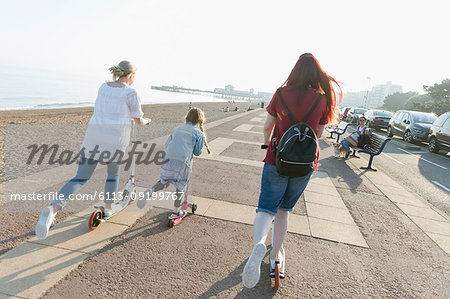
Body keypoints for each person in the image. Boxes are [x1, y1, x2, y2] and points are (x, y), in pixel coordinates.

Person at [242, 53, 341, 288]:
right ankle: (275, 256)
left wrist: (267, 145)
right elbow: (318, 135)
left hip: (277, 159)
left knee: (266, 209)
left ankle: (259, 243)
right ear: (317, 74)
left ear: (294, 70)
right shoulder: (322, 99)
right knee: (284, 211)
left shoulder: (281, 93)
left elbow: (268, 126)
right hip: (304, 164)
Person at [35, 60, 151, 240]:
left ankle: (53, 209)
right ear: (130, 75)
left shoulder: (103, 87)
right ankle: (109, 207)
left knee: (80, 178)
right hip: (114, 142)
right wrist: (146, 121)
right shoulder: (131, 92)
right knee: (112, 176)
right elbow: (138, 119)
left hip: (93, 138)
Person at [137, 108, 211, 216]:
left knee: (164, 181)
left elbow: (167, 144)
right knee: (180, 186)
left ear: (187, 117)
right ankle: (176, 211)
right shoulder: (198, 133)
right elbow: (197, 152)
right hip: (183, 162)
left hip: (168, 159)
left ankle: (150, 191)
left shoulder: (177, 129)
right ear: (200, 120)